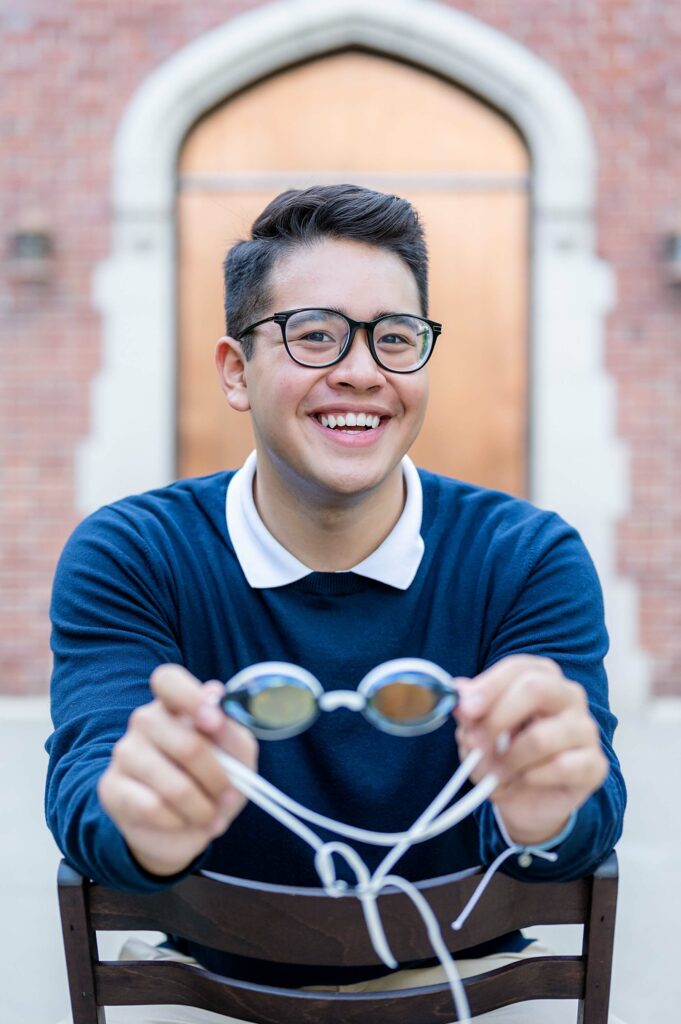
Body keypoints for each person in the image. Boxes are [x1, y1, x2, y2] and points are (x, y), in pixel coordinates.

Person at [47, 184, 626, 1023]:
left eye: (395, 338)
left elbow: (584, 817)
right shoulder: (132, 554)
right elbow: (90, 790)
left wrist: (546, 820)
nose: (361, 371)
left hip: (469, 998)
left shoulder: (527, 558)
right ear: (236, 372)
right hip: (208, 997)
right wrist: (139, 822)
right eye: (315, 335)